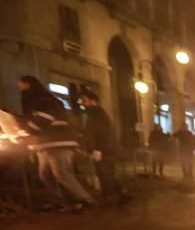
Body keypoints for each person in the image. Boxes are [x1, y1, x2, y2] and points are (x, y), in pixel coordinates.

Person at [17, 75, 95, 211]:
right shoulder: (44, 99)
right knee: (45, 174)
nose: (19, 88)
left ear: (28, 85)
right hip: (46, 144)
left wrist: (26, 130)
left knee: (62, 173)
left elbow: (44, 119)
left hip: (57, 142)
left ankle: (86, 199)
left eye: (21, 85)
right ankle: (57, 201)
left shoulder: (40, 99)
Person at [80, 89, 129, 204]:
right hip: (107, 149)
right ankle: (122, 192)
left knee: (104, 174)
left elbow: (95, 132)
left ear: (93, 101)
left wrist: (95, 149)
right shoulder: (99, 113)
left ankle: (111, 197)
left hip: (102, 149)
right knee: (108, 173)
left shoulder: (94, 113)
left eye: (84, 100)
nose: (82, 103)